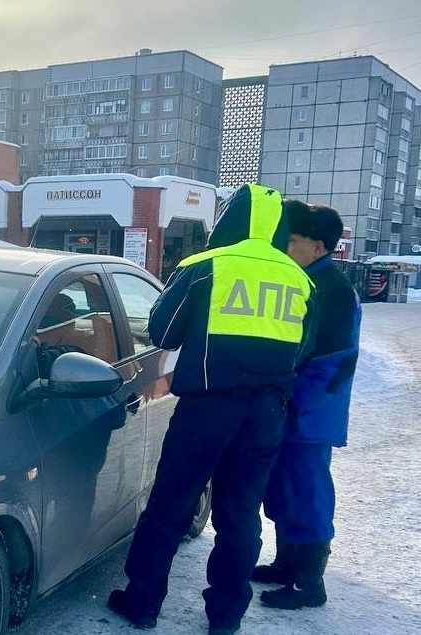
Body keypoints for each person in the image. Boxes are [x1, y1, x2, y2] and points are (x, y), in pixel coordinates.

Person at [107, 184, 317, 635]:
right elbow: (304, 348)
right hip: (266, 414)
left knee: (169, 506)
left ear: (230, 220)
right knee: (240, 516)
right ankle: (225, 617)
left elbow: (162, 331)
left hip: (207, 408)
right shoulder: (300, 279)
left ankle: (142, 601)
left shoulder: (206, 265)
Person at [253, 202, 361, 610]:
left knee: (308, 494)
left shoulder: (332, 291)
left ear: (318, 247)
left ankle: (309, 584)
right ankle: (286, 565)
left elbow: (331, 363)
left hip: (309, 415)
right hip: (292, 409)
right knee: (283, 491)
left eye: (293, 241)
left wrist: (295, 404)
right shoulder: (302, 280)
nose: (286, 247)